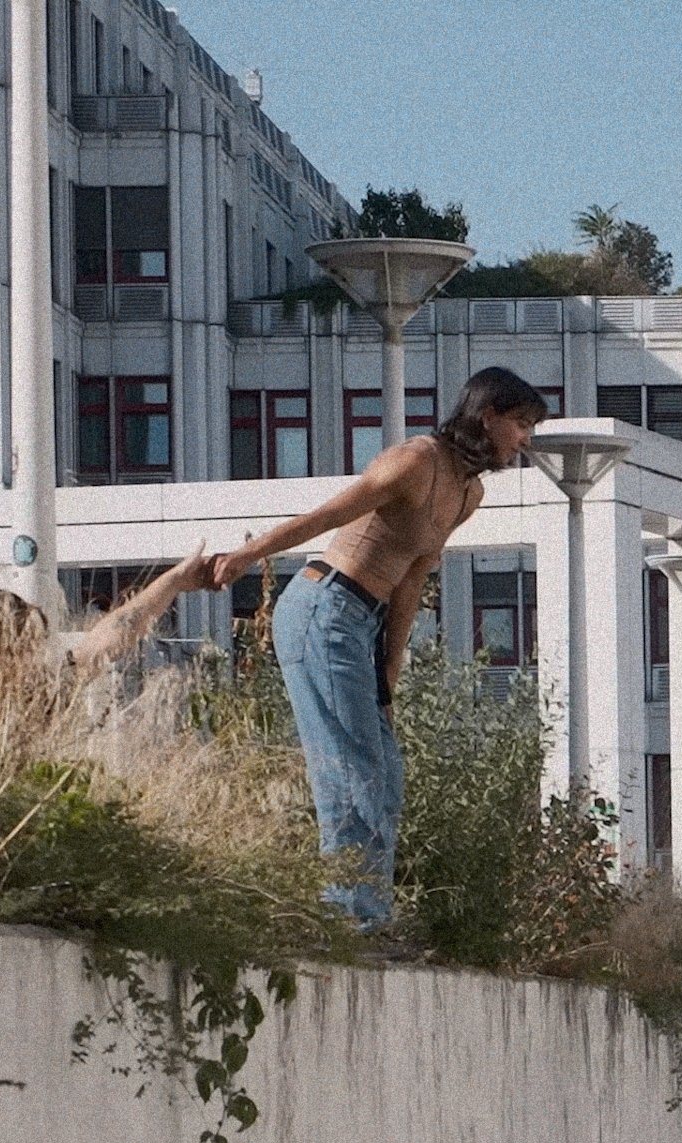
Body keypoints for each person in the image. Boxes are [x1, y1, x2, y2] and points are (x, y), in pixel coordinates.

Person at [211, 365, 549, 925]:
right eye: (520, 424)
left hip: (362, 626)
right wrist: (249, 555)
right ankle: (351, 920)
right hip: (323, 608)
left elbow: (412, 579)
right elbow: (327, 515)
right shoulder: (416, 460)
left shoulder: (469, 493)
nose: (526, 439)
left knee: (385, 774)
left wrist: (388, 678)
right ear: (488, 417)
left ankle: (362, 915)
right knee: (355, 770)